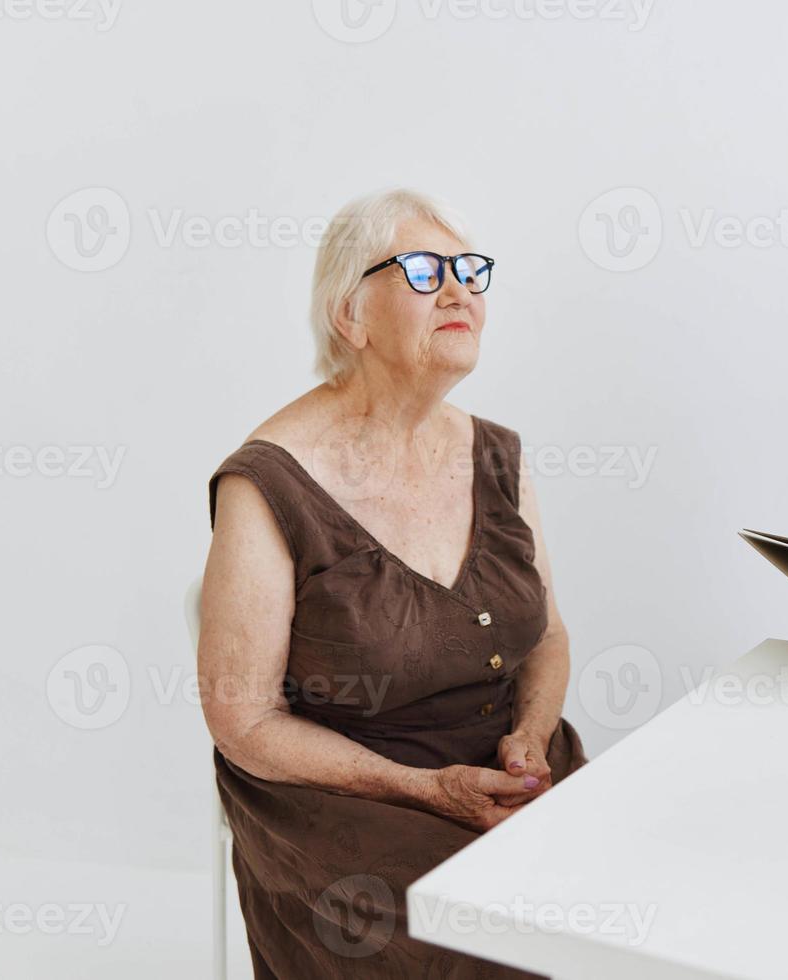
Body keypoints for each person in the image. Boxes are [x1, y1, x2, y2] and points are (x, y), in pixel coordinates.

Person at [199, 188, 587, 977]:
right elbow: (242, 719)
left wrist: (531, 737)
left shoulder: (495, 454)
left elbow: (546, 635)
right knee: (485, 945)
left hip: (510, 771)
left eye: (469, 271)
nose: (458, 291)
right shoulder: (267, 481)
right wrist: (426, 789)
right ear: (351, 315)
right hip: (345, 800)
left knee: (630, 906)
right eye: (421, 269)